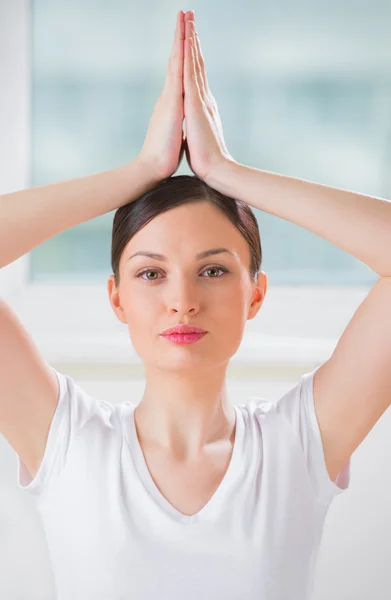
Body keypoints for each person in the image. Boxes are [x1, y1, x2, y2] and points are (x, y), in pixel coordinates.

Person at [1, 9, 390, 600]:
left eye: (212, 270)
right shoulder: (67, 445)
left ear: (254, 293)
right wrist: (139, 172)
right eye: (150, 274)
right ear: (117, 298)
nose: (182, 301)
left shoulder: (299, 446)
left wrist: (227, 173)